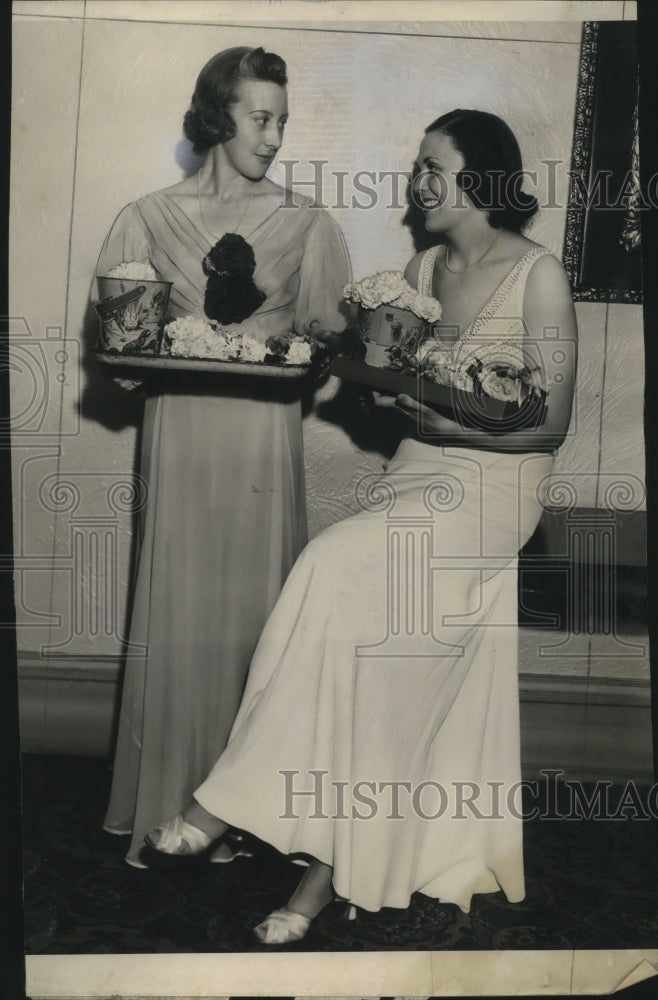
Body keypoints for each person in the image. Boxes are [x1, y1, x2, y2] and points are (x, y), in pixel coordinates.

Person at [143, 109, 577, 943]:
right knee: (354, 630)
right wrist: (380, 391)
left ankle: (220, 808)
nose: (416, 184)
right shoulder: (419, 268)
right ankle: (314, 865)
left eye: (432, 168)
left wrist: (433, 413)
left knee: (333, 560)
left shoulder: (539, 276)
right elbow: (401, 403)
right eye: (415, 167)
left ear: (480, 180)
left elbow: (548, 425)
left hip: (494, 493)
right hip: (417, 474)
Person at [98, 46, 352, 868]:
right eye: (260, 118)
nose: (275, 137)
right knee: (180, 615)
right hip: (184, 437)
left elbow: (328, 344)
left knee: (254, 627)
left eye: (282, 120)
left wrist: (317, 348)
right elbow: (119, 351)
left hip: (260, 449)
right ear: (218, 117)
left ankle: (235, 812)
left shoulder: (309, 225)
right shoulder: (145, 217)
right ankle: (168, 802)